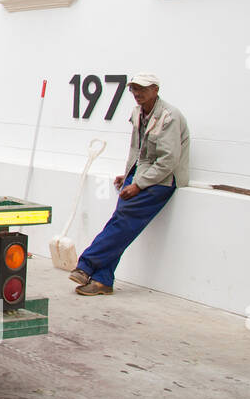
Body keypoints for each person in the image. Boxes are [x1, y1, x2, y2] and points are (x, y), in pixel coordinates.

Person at [70, 73, 190, 296]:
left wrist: (139, 184)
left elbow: (168, 161)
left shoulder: (168, 116)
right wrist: (127, 176)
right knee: (121, 224)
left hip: (163, 180)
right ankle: (102, 280)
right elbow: (137, 150)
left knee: (123, 222)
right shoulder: (138, 112)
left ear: (155, 89)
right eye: (133, 89)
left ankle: (86, 264)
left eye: (142, 88)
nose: (137, 93)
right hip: (143, 173)